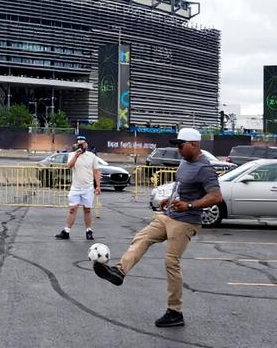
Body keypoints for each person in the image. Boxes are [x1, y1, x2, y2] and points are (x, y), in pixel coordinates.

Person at [93, 127, 223, 328]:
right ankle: (119, 272)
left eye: (181, 145)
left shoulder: (204, 168)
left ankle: (175, 312)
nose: (178, 149)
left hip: (186, 221)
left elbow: (216, 196)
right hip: (169, 215)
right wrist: (168, 200)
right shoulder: (184, 163)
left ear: (194, 145)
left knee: (171, 262)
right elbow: (181, 187)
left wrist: (190, 205)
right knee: (142, 237)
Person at [55, 135, 100, 240]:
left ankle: (89, 230)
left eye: (83, 144)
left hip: (87, 187)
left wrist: (97, 186)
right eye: (79, 144)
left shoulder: (92, 156)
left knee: (87, 210)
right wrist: (76, 156)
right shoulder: (73, 155)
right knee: (72, 209)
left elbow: (96, 171)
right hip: (76, 187)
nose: (81, 146)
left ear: (86, 144)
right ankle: (66, 231)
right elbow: (69, 166)